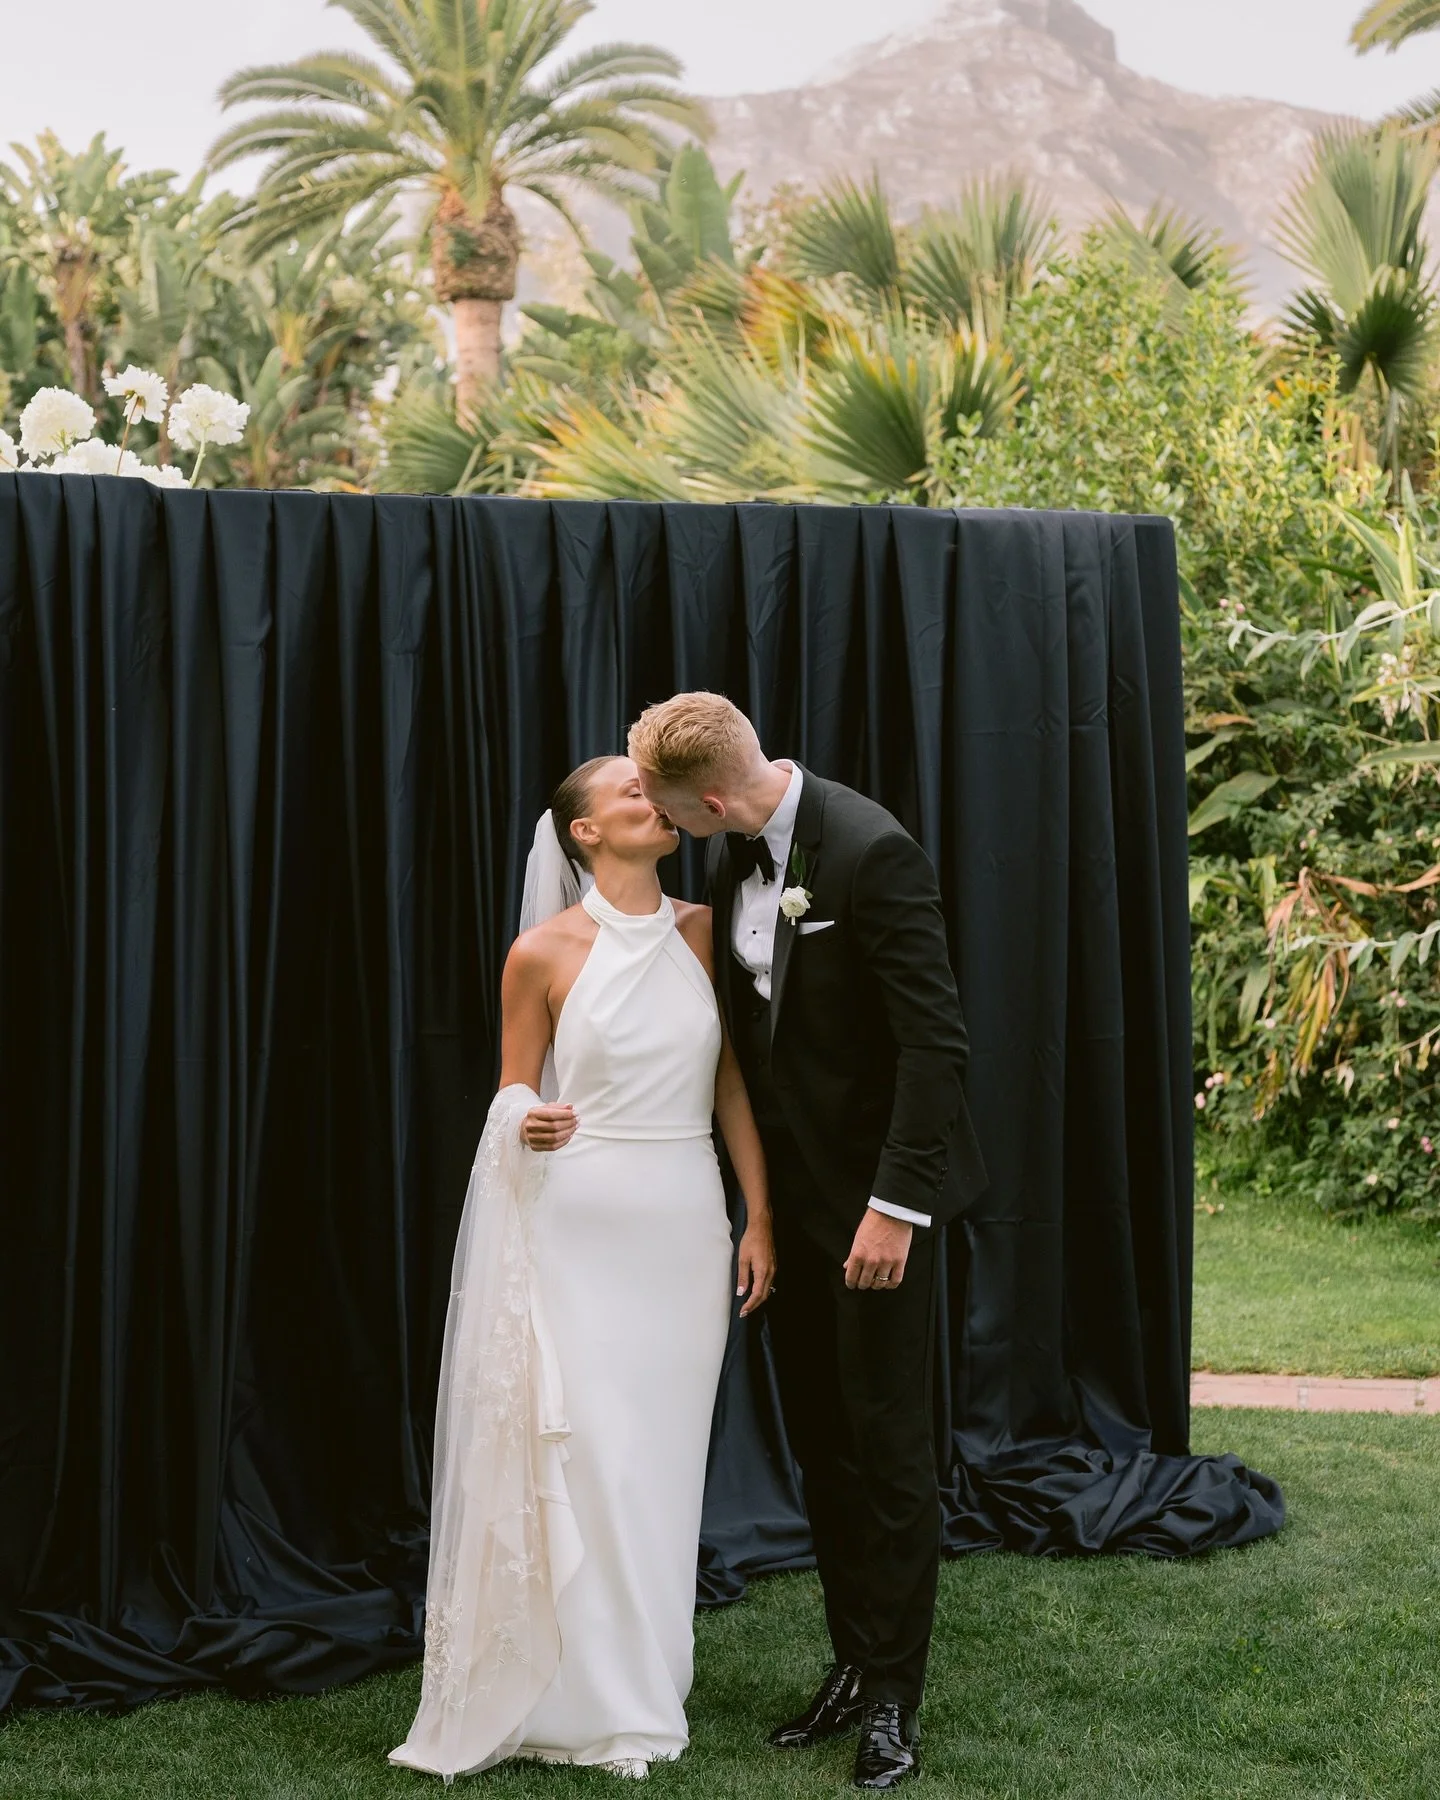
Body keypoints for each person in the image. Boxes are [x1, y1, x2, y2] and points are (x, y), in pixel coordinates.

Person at [390, 755, 775, 1781]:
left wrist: (761, 1217)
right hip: (579, 1226)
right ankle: (582, 1697)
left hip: (683, 1226)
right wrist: (528, 1120)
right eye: (630, 794)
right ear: (584, 834)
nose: (655, 802)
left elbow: (732, 1087)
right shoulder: (541, 953)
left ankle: (647, 1678)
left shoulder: (706, 933)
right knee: (589, 1456)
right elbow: (511, 1093)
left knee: (659, 1465)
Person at [629, 694, 988, 1792]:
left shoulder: (872, 851)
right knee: (825, 1447)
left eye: (669, 808)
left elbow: (936, 1045)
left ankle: (894, 1699)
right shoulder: (735, 853)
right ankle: (852, 1659)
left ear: (715, 798)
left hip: (878, 1213)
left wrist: (895, 1208)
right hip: (791, 1210)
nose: (662, 822)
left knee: (888, 1451)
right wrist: (765, 1213)